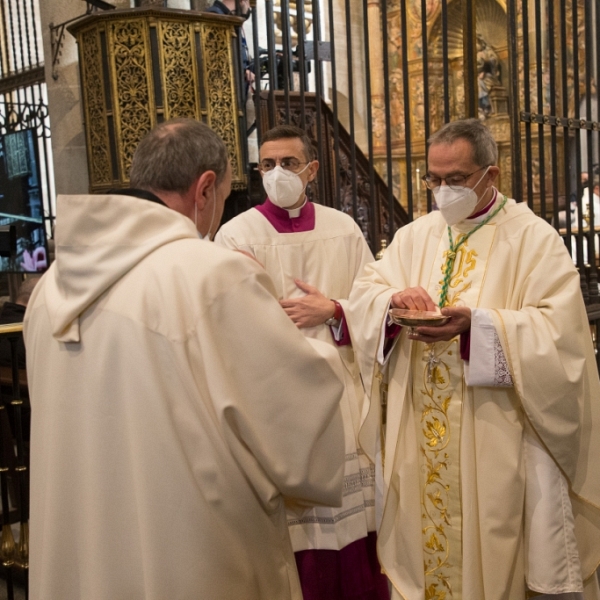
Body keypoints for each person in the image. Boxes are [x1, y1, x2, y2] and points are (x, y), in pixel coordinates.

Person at [23, 118, 346, 600]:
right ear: (206, 187)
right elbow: (294, 430)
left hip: (87, 553)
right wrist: (322, 351)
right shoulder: (210, 275)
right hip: (193, 556)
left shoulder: (49, 290)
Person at [348, 118, 600, 600]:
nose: (443, 191)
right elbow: (366, 291)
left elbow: (562, 338)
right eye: (434, 179)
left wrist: (479, 327)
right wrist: (392, 300)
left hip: (495, 435)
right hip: (422, 433)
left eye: (456, 179)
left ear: (492, 175)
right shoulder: (415, 236)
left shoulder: (534, 239)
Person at [215, 124, 389, 600]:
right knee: (298, 533)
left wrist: (334, 310)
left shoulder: (343, 228)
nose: (277, 173)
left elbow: (375, 305)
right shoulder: (236, 235)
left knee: (354, 528)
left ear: (312, 170)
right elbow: (226, 324)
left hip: (344, 395)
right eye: (267, 165)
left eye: (289, 164)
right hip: (280, 401)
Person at [205, 0, 255, 98]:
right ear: (242, 1)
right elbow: (217, 55)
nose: (249, 7)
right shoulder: (216, 15)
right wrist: (243, 72)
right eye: (249, 2)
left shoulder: (228, 17)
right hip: (222, 93)